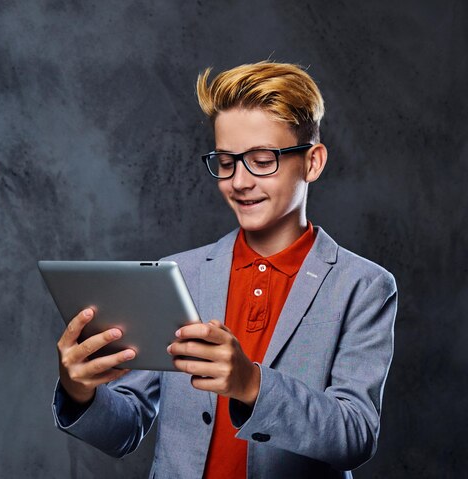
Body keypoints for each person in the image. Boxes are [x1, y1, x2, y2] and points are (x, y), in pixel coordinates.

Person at [52, 61, 397, 479]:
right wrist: (80, 391)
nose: (239, 181)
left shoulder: (363, 285)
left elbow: (355, 435)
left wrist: (251, 384)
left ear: (313, 162)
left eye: (262, 159)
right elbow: (125, 428)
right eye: (227, 161)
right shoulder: (179, 273)